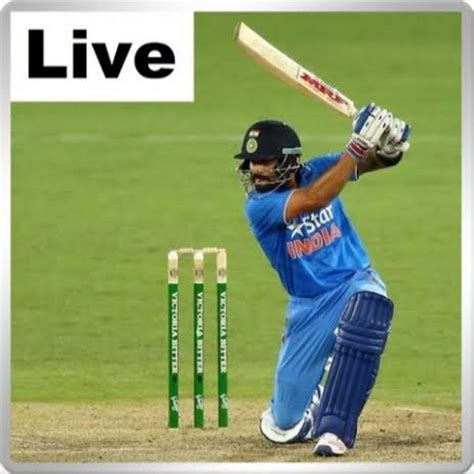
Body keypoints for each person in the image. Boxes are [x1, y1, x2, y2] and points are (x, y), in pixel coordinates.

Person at [234, 103, 411, 457]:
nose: (256, 170)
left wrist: (389, 148)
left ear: (291, 161)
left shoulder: (316, 170)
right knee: (285, 424)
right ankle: (313, 399)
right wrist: (357, 145)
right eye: (252, 162)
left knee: (367, 310)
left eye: (265, 161)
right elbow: (315, 198)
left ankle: (335, 430)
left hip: (354, 281)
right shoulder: (259, 206)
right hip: (309, 307)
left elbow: (369, 163)